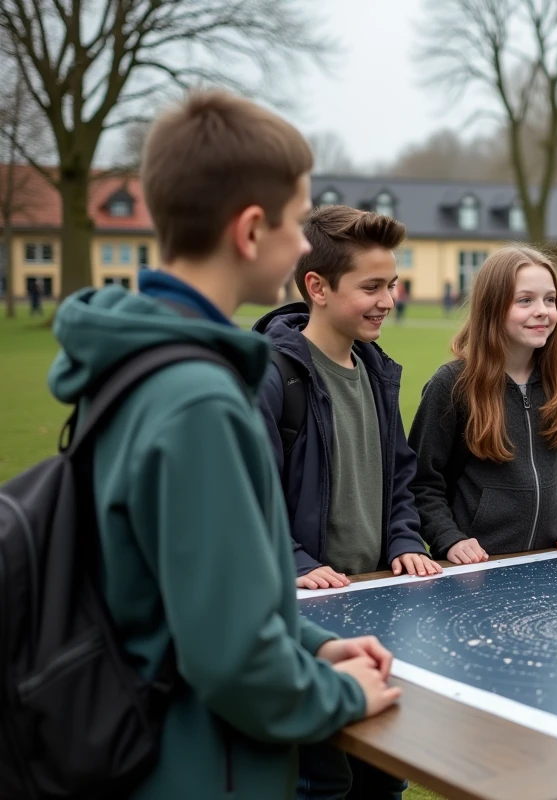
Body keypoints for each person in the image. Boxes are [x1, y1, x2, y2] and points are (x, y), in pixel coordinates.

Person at [45, 90, 401, 799]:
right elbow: (235, 661)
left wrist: (316, 645)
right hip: (189, 765)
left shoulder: (130, 357)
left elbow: (199, 596)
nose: (305, 243)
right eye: (297, 221)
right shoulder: (200, 399)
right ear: (249, 231)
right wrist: (341, 697)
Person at [255, 205, 441, 798]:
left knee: (386, 773)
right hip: (308, 618)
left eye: (392, 284)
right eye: (371, 287)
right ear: (317, 287)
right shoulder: (269, 376)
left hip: (380, 606)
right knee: (322, 781)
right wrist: (298, 563)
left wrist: (405, 540)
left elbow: (399, 480)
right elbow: (248, 499)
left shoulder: (377, 369)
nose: (389, 298)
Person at [409, 246, 557, 564]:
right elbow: (422, 482)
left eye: (550, 299)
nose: (542, 310)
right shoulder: (452, 385)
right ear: (491, 307)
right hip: (477, 569)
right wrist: (449, 538)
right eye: (525, 300)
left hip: (552, 564)